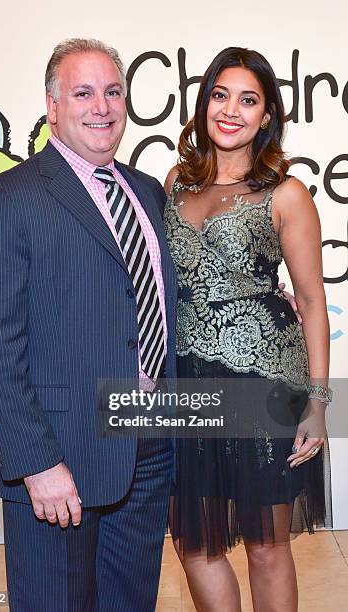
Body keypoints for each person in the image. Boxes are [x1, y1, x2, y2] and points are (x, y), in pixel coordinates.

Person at [0, 38, 178, 612]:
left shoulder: (148, 193)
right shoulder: (9, 199)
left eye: (112, 92)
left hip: (148, 452)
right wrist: (36, 463)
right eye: (83, 93)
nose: (101, 106)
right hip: (61, 460)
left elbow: (156, 302)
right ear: (52, 106)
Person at [164, 47, 332, 612]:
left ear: (267, 116)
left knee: (265, 544)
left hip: (266, 383)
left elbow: (311, 300)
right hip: (187, 381)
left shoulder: (286, 193)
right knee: (195, 543)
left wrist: (317, 404)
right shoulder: (174, 185)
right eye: (220, 94)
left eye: (248, 99)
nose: (231, 110)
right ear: (203, 102)